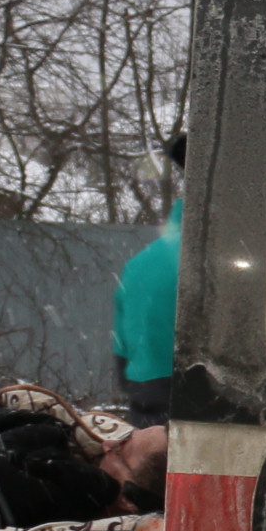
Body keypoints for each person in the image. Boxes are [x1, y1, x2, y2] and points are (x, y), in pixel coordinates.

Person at [112, 131, 183, 428]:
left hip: (150, 408)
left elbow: (123, 355)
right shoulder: (242, 260)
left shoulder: (141, 264)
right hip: (211, 411)